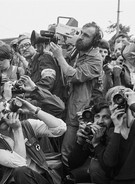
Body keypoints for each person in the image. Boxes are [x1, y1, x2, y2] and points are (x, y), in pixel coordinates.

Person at [49, 22, 103, 168]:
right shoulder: (78, 52)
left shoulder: (96, 58)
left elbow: (74, 76)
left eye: (86, 35)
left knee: (67, 151)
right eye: (81, 33)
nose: (81, 37)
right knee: (61, 148)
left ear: (95, 41)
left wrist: (60, 57)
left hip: (79, 113)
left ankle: (68, 183)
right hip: (69, 106)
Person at [67, 101, 113, 184]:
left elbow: (108, 165)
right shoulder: (91, 132)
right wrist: (80, 142)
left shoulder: (114, 136)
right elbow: (72, 164)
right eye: (97, 116)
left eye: (106, 117)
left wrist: (96, 143)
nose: (100, 121)